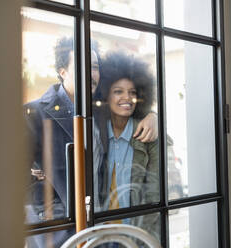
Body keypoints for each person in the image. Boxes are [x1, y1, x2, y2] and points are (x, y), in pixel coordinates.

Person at [23, 37, 158, 247]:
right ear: (63, 71)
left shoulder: (101, 111)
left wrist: (152, 116)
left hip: (101, 229)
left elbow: (129, 106)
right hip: (60, 234)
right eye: (82, 66)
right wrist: (58, 216)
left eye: (94, 67)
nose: (91, 73)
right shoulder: (33, 113)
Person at [97, 51, 160, 243]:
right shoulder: (95, 132)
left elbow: (154, 195)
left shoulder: (150, 135)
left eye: (132, 92)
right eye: (118, 91)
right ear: (105, 95)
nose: (127, 98)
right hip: (98, 236)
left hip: (135, 236)